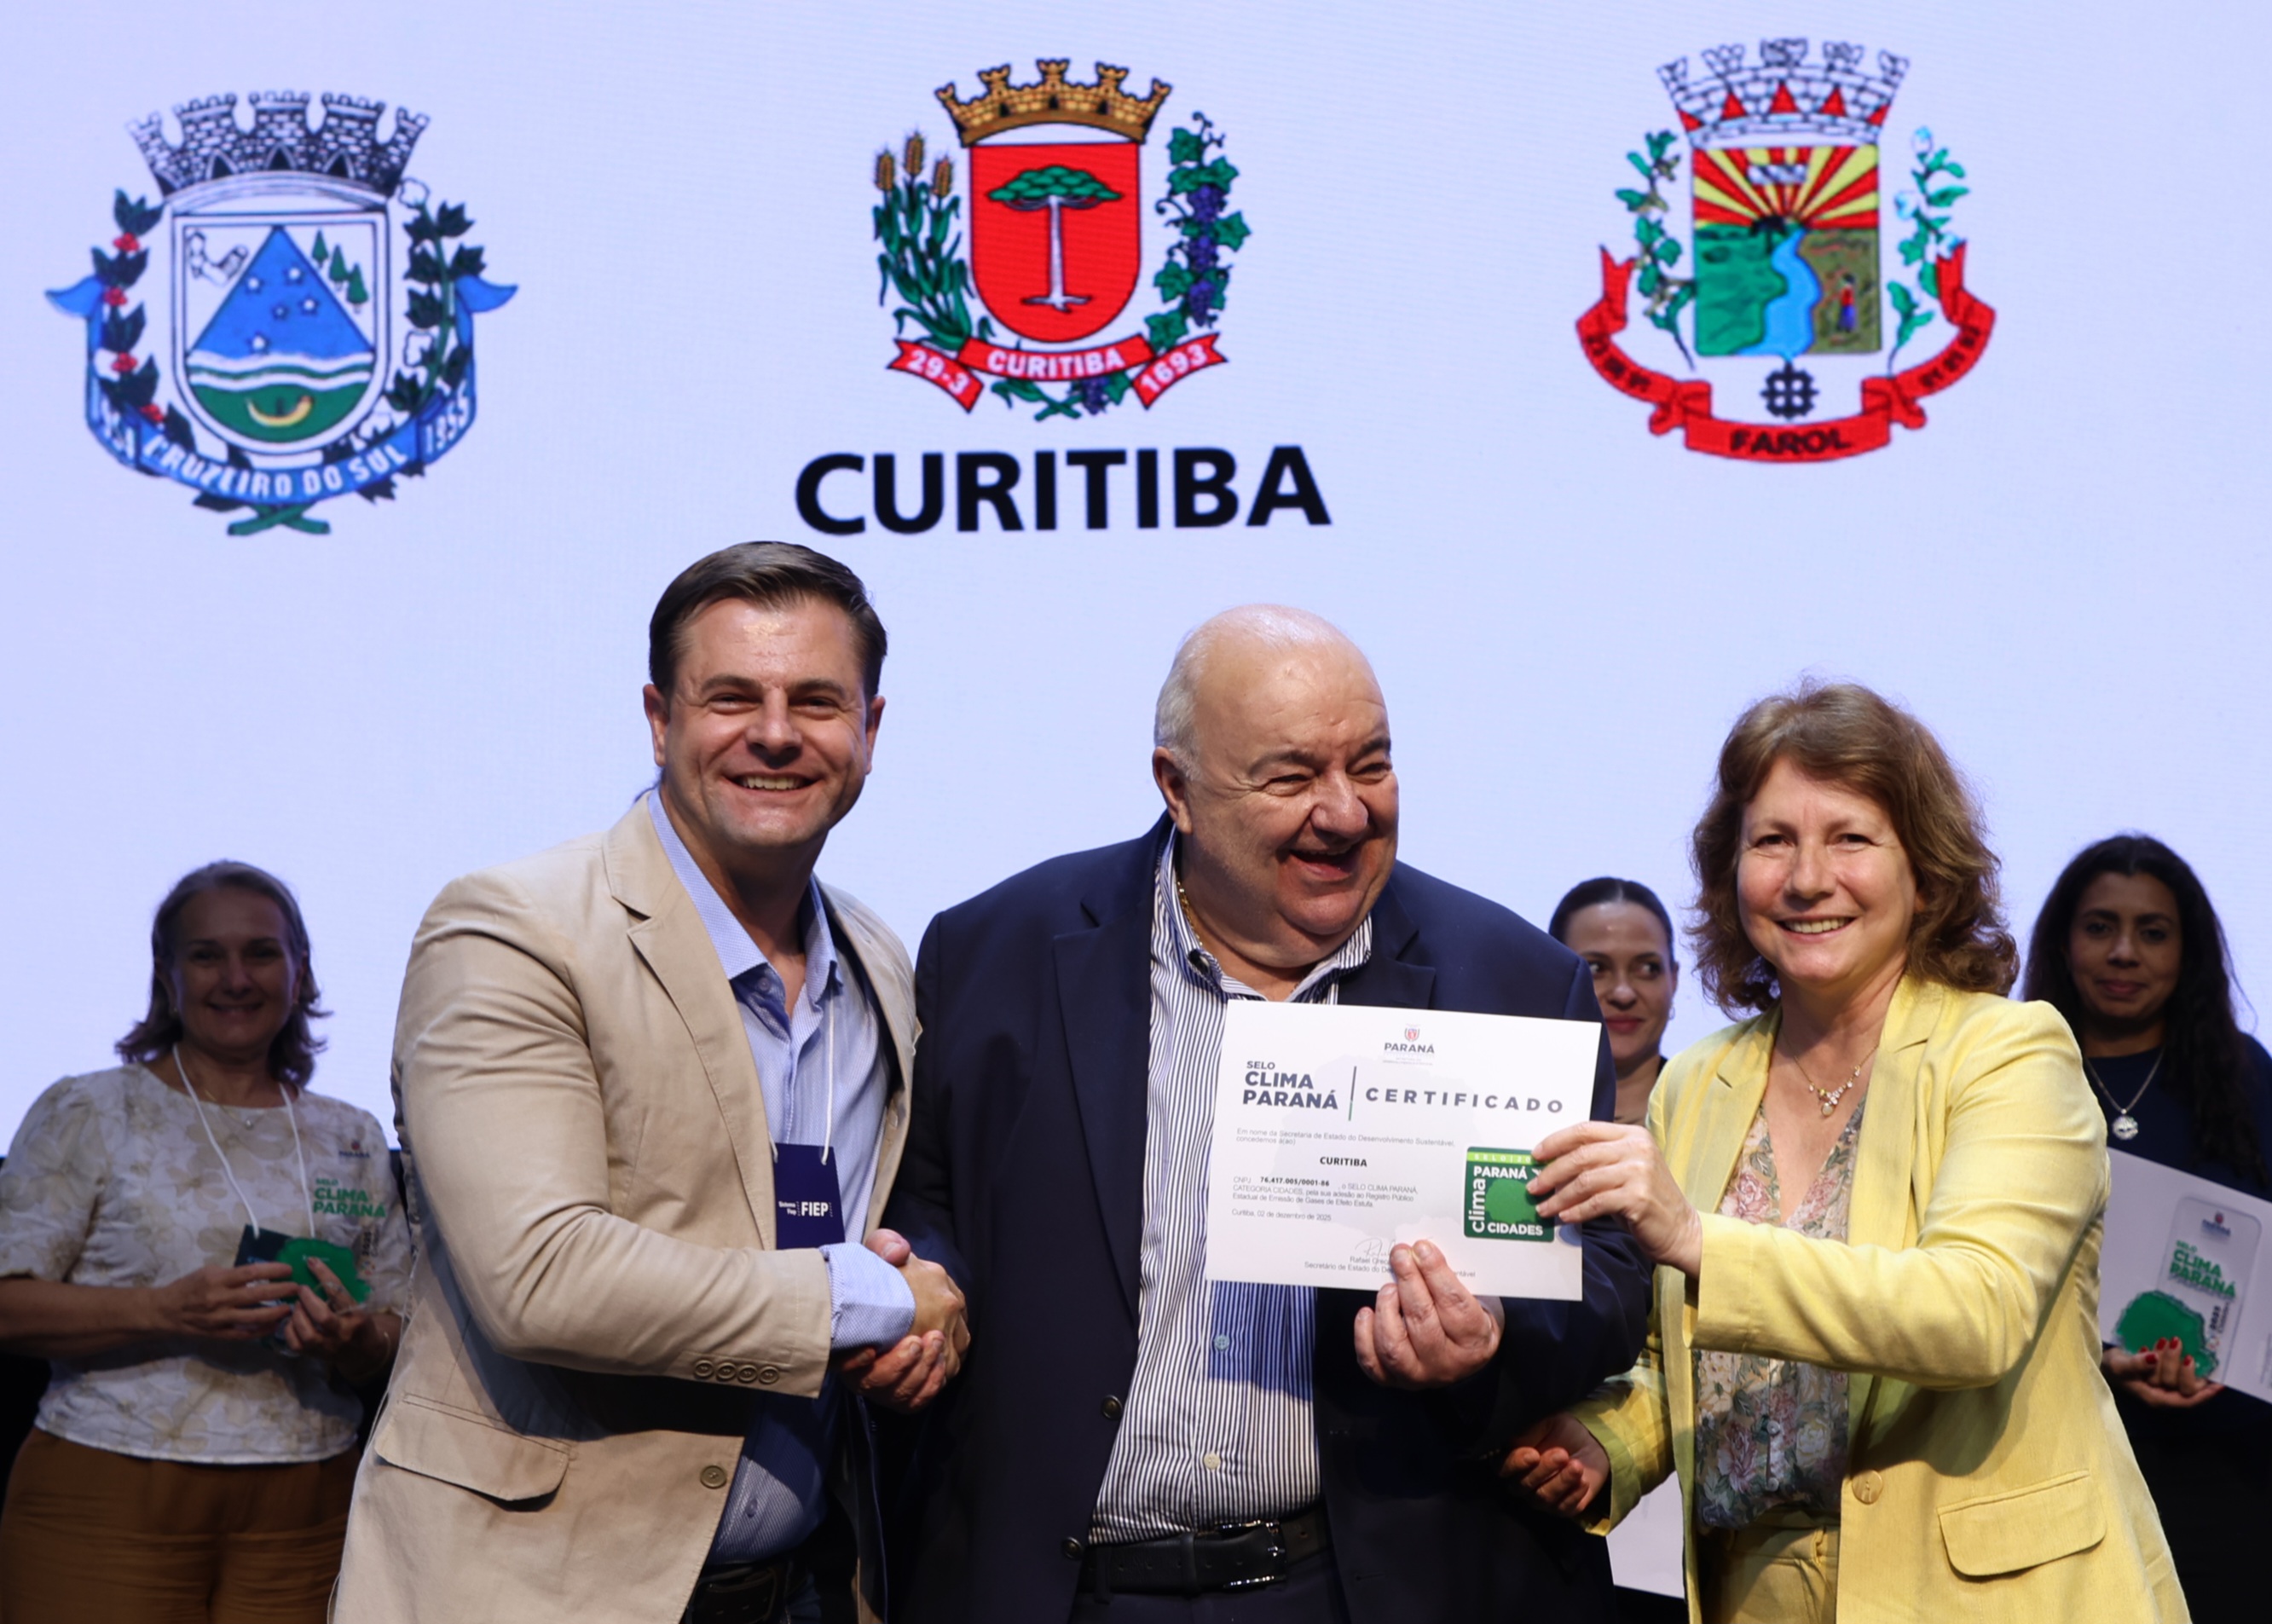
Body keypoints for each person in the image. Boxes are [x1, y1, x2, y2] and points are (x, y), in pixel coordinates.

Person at [884, 605, 1653, 1622]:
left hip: (1365, 1588)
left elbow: (1604, 1279)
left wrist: (1494, 1337)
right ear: (1177, 789)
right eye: (1291, 778)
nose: (1343, 812)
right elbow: (935, 1206)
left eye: (1371, 766)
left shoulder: (1514, 981)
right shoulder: (998, 949)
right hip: (1064, 1589)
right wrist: (921, 1284)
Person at [333, 544, 968, 1624]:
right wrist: (868, 1300)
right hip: (537, 1592)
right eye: (732, 698)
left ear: (869, 729)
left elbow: (857, 1227)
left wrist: (921, 1322)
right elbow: (542, 1276)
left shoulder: (876, 956)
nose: (776, 733)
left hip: (807, 1584)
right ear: (659, 718)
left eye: (816, 701)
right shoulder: (513, 930)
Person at [1502, 681, 2183, 1623]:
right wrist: (1604, 1443)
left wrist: (1696, 1238)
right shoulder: (1696, 1081)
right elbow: (1681, 1359)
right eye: (1772, 840)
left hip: (1988, 1598)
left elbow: (1973, 1311)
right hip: (1751, 1593)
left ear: (1925, 873)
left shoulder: (2009, 1051)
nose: (1807, 878)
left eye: (1851, 838)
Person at [0, 861, 411, 1622]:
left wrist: (355, 1341)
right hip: (108, 1487)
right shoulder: (89, 1110)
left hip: (309, 1505)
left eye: (261, 953)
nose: (236, 978)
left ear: (299, 972)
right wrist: (163, 1310)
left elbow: (398, 1325)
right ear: (167, 975)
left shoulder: (351, 1135)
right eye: (206, 955)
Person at [2025, 834, 2272, 1622]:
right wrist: (2098, 1357)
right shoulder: (2016, 1079)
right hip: (2057, 1462)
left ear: (2186, 950)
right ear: (2062, 943)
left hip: (2234, 1472)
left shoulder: (2244, 1076)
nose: (2123, 951)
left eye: (2152, 931)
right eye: (2099, 926)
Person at [1552, 879, 1681, 1125]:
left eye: (1647, 968)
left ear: (1673, 980)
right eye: (1595, 968)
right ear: (1552, 978)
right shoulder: (1505, 1109)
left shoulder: (1718, 1109)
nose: (1623, 994)